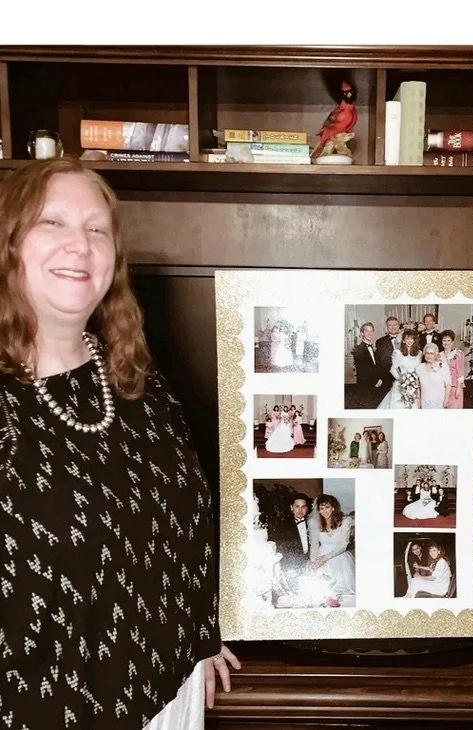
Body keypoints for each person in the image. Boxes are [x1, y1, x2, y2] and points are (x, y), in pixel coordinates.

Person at [0, 158, 240, 729]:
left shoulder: (136, 377)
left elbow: (184, 518)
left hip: (168, 695)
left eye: (96, 228)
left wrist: (199, 634)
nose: (78, 245)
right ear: (10, 242)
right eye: (52, 223)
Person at [310, 494, 356, 598]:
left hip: (339, 558)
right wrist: (313, 561)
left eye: (327, 507)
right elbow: (314, 545)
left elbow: (343, 545)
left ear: (333, 507)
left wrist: (325, 558)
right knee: (322, 593)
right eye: (321, 508)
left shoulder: (345, 521)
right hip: (320, 558)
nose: (324, 511)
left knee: (344, 593)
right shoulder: (316, 524)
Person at [377, 328, 422, 409]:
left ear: (415, 340)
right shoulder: (398, 353)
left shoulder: (419, 354)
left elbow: (419, 369)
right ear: (403, 340)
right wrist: (402, 380)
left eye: (412, 339)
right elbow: (392, 369)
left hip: (414, 384)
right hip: (401, 383)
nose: (409, 341)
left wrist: (415, 382)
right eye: (407, 338)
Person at [272, 493, 312, 578]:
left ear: (307, 508)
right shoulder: (283, 526)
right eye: (297, 506)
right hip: (293, 566)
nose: (300, 510)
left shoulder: (312, 524)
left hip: (310, 564)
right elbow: (281, 549)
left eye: (303, 507)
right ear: (291, 507)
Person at [351, 322, 385, 408]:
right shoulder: (358, 349)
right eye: (367, 331)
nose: (369, 333)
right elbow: (363, 371)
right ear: (362, 333)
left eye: (371, 331)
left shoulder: (373, 347)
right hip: (365, 386)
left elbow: (376, 366)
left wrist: (380, 378)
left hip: (375, 386)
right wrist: (376, 381)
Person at [416, 343, 451, 409]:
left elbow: (448, 384)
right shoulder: (419, 368)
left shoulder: (443, 366)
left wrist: (446, 399)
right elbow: (417, 387)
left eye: (431, 353)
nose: (429, 356)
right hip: (425, 403)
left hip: (439, 403)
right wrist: (418, 403)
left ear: (436, 355)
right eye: (427, 353)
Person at [438, 329, 465, 409]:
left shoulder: (458, 354)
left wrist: (458, 389)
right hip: (443, 387)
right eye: (444, 340)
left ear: (452, 342)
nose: (446, 343)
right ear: (442, 342)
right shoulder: (439, 356)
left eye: (448, 340)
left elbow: (460, 372)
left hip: (455, 386)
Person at [375, 315, 401, 389]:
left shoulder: (405, 340)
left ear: (399, 326)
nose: (393, 327)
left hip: (403, 375)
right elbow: (379, 362)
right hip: (387, 377)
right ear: (387, 327)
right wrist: (380, 377)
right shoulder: (380, 342)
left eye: (395, 325)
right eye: (390, 325)